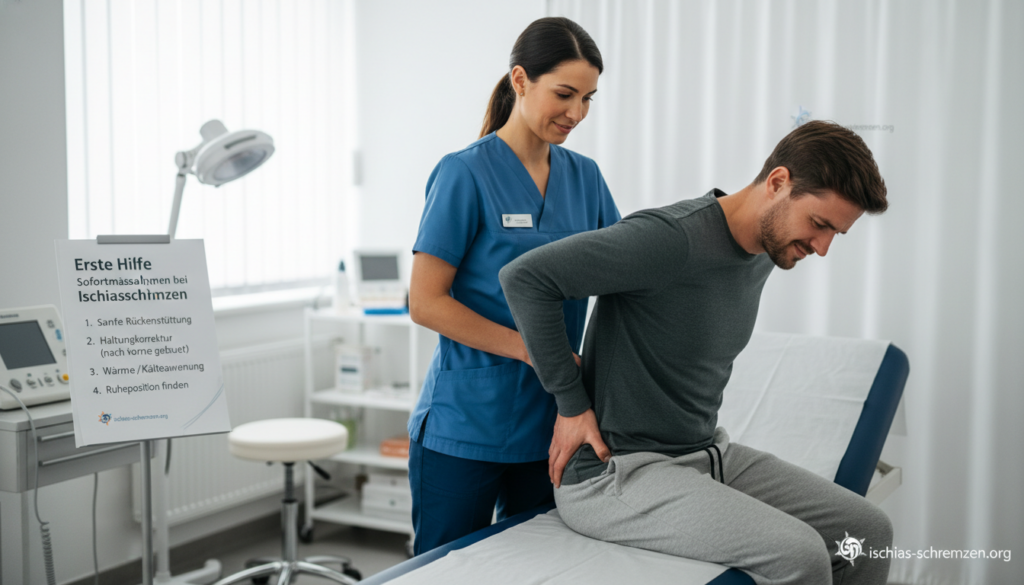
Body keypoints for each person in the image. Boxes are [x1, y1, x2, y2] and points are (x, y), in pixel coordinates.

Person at [499, 120, 893, 585]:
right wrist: (571, 403)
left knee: (869, 531)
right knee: (801, 554)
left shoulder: (769, 249)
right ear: (778, 183)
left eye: (835, 235)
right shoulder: (671, 239)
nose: (822, 248)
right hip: (614, 472)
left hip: (703, 455)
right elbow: (526, 278)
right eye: (819, 225)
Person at [406, 17, 620, 555]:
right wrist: (533, 351)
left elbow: (623, 273)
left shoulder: (586, 177)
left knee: (538, 565)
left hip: (554, 425)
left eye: (589, 99)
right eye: (565, 94)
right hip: (466, 424)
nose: (576, 114)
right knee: (447, 570)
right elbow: (425, 302)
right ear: (521, 80)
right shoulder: (464, 174)